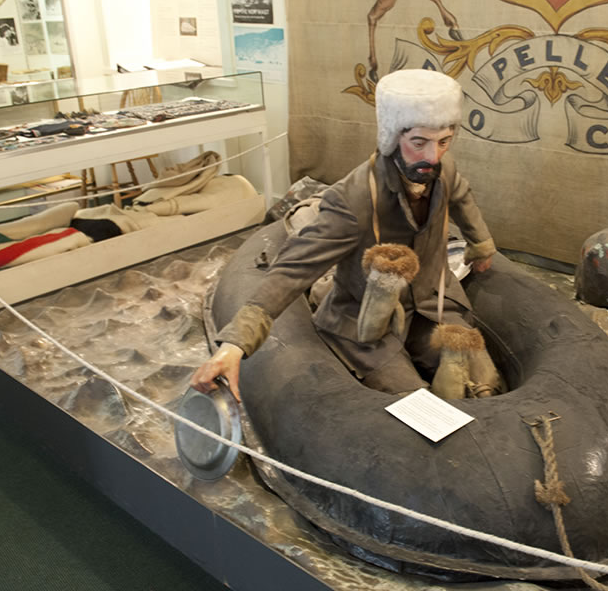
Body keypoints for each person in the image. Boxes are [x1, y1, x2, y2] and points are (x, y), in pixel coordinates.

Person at [192, 69, 502, 402]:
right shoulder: (353, 199)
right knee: (413, 403)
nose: (433, 156)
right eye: (419, 143)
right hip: (366, 321)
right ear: (392, 136)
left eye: (444, 142)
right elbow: (294, 268)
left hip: (431, 305)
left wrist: (480, 245)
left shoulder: (443, 170)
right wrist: (235, 343)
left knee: (484, 385)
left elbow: (461, 197)